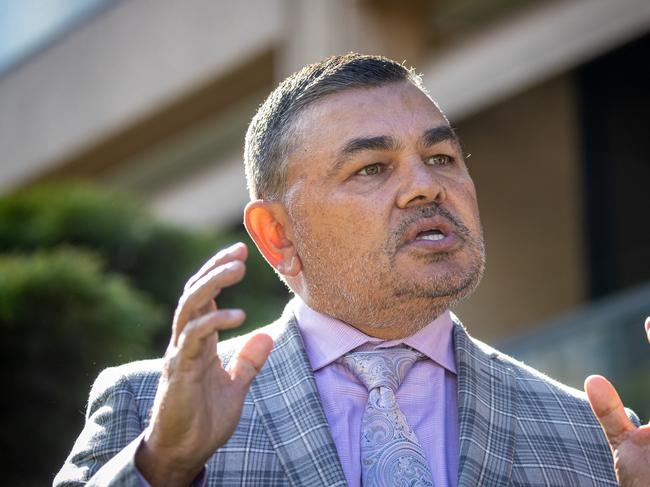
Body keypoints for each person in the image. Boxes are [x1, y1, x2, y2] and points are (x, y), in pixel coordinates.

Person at [55, 54, 649, 487]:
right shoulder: (147, 412)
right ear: (277, 234)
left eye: (440, 157)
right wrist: (164, 463)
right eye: (371, 168)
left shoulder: (589, 435)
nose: (425, 186)